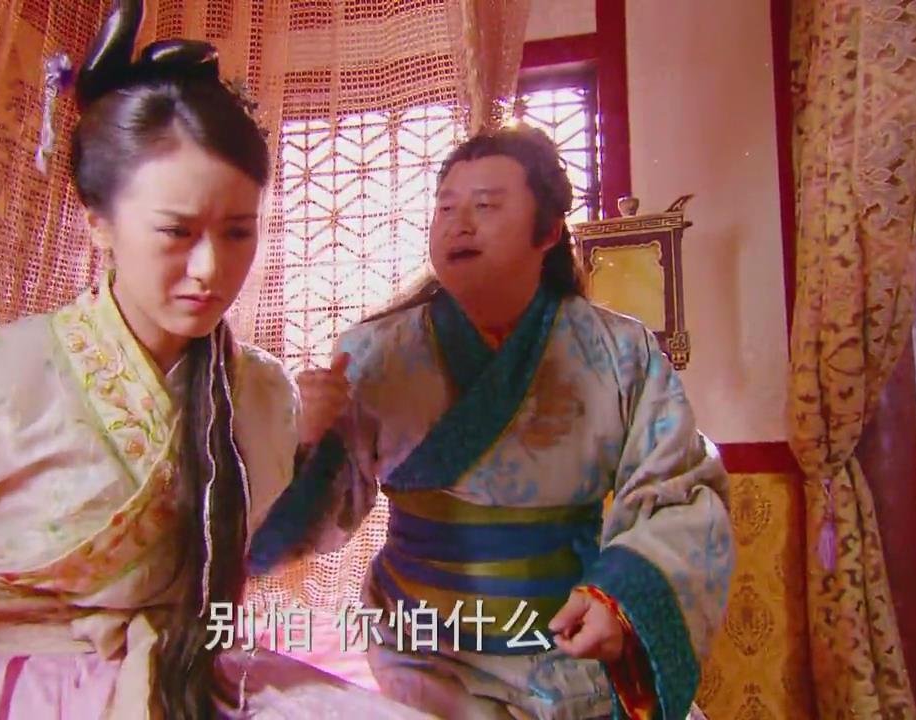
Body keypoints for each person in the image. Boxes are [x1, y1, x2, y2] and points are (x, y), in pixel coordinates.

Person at [0, 3, 429, 718]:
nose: (210, 269)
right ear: (99, 222)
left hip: (191, 670)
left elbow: (265, 553)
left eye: (238, 232)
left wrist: (312, 443)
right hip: (26, 687)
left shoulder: (258, 389)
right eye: (176, 232)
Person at [249, 125, 733, 720]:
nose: (459, 224)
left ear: (548, 232)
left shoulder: (619, 352)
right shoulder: (375, 352)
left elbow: (680, 492)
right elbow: (312, 517)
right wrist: (302, 439)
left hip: (572, 643)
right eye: (446, 207)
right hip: (424, 654)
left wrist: (624, 598)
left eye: (486, 206)